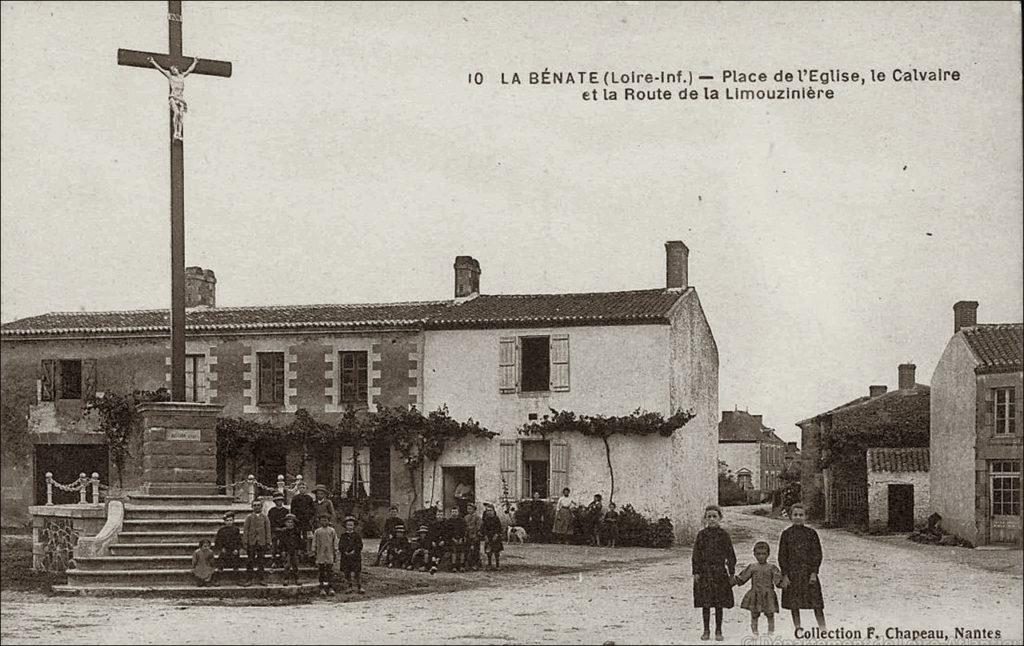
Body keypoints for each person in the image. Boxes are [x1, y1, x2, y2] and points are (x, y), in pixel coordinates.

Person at [778, 503, 827, 632]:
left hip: (807, 573)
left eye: (801, 515)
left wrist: (814, 572)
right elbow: (782, 556)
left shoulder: (811, 534)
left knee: (816, 603)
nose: (798, 517)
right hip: (793, 574)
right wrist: (785, 575)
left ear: (806, 517)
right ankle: (798, 628)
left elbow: (817, 554)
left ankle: (823, 629)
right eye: (795, 515)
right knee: (794, 604)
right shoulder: (786, 534)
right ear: (790, 517)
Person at [692, 504, 736, 641]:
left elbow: (731, 555)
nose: (711, 519)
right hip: (705, 573)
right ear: (705, 519)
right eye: (709, 517)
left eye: (714, 516)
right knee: (705, 603)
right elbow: (696, 555)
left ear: (720, 518)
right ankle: (706, 630)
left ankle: (718, 630)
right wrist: (696, 572)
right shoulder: (701, 535)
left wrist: (731, 573)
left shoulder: (724, 535)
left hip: (719, 573)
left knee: (719, 603)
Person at [735, 541, 783, 636]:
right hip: (755, 594)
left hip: (768, 594)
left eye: (764, 554)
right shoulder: (752, 567)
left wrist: (784, 582)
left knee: (770, 614)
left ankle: (770, 632)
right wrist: (731, 581)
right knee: (754, 614)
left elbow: (779, 581)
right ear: (754, 554)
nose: (761, 556)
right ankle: (755, 633)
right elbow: (742, 579)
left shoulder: (772, 567)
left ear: (768, 554)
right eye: (758, 554)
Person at [147, 55, 199, 141]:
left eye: (174, 69)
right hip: (173, 98)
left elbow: (190, 69)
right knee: (177, 113)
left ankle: (179, 133)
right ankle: (175, 132)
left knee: (181, 117)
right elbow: (161, 69)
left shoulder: (182, 76)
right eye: (172, 70)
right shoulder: (171, 77)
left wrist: (195, 62)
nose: (173, 70)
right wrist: (153, 62)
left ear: (177, 69)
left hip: (181, 99)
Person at [242, 500, 272, 586]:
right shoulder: (249, 518)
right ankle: (249, 579)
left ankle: (261, 579)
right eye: (254, 505)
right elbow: (245, 530)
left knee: (261, 561)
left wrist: (268, 542)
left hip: (261, 542)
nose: (257, 507)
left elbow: (268, 530)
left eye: (258, 505)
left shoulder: (265, 518)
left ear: (261, 507)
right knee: (250, 561)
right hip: (251, 542)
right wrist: (245, 542)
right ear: (252, 507)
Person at [338, 516, 365, 594]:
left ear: (354, 526)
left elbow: (360, 545)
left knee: (357, 572)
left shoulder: (357, 535)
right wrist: (344, 551)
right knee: (347, 572)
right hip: (346, 557)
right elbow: (341, 545)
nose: (350, 527)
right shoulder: (343, 536)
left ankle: (359, 586)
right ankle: (349, 586)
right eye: (348, 525)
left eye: (351, 525)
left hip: (355, 557)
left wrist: (354, 551)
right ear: (345, 526)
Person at [312, 514, 338, 595]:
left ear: (328, 521)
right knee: (321, 571)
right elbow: (314, 541)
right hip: (321, 553)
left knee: (330, 571)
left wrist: (335, 550)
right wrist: (314, 550)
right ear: (320, 521)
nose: (324, 522)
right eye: (322, 520)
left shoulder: (332, 530)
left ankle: (330, 587)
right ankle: (322, 587)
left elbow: (335, 541)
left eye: (326, 520)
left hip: (329, 553)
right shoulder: (317, 531)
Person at [290, 481, 316, 559]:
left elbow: (312, 509)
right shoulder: (295, 498)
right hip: (298, 521)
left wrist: (309, 516)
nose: (302, 489)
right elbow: (293, 509)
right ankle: (298, 552)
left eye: (304, 488)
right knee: (297, 535)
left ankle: (307, 552)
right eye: (300, 488)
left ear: (306, 489)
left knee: (307, 537)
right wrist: (296, 518)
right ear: (298, 489)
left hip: (306, 521)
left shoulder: (309, 498)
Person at [279, 513, 303, 586]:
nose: (290, 524)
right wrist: (282, 550)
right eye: (288, 522)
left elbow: (300, 541)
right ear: (285, 523)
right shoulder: (283, 532)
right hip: (287, 550)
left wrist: (299, 549)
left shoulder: (297, 532)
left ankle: (297, 578)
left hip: (294, 550)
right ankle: (286, 578)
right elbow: (281, 542)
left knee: (295, 565)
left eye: (291, 522)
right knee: (287, 565)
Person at [267, 494, 288, 568]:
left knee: (284, 546)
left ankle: (283, 561)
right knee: (274, 546)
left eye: (280, 501)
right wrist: (275, 528)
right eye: (277, 501)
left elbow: (288, 521)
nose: (279, 502)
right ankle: (274, 561)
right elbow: (270, 522)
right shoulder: (271, 511)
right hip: (275, 531)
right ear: (275, 502)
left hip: (284, 531)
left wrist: (285, 527)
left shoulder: (286, 511)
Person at [444, 506, 467, 572]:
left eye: (455, 512)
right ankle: (454, 566)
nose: (454, 513)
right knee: (454, 549)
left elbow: (464, 530)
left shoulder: (462, 521)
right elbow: (448, 532)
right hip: (451, 539)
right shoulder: (448, 521)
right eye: (453, 512)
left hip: (460, 539)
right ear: (451, 513)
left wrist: (461, 538)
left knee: (462, 550)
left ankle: (462, 566)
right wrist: (453, 539)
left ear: (458, 512)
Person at [481, 504, 504, 569]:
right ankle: (489, 564)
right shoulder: (485, 519)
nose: (489, 512)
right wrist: (485, 536)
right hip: (488, 537)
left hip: (495, 537)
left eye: (490, 510)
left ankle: (497, 565)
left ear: (494, 511)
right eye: (487, 510)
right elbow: (483, 528)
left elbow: (499, 528)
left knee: (496, 551)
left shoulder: (496, 519)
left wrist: (496, 535)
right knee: (489, 552)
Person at [463, 502, 482, 570]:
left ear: (474, 509)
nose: (469, 510)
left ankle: (476, 564)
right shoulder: (466, 517)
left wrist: (476, 534)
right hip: (468, 536)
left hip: (475, 536)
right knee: (468, 550)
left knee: (475, 550)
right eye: (468, 509)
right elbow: (465, 526)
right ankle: (468, 564)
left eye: (470, 509)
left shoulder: (477, 517)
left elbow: (479, 527)